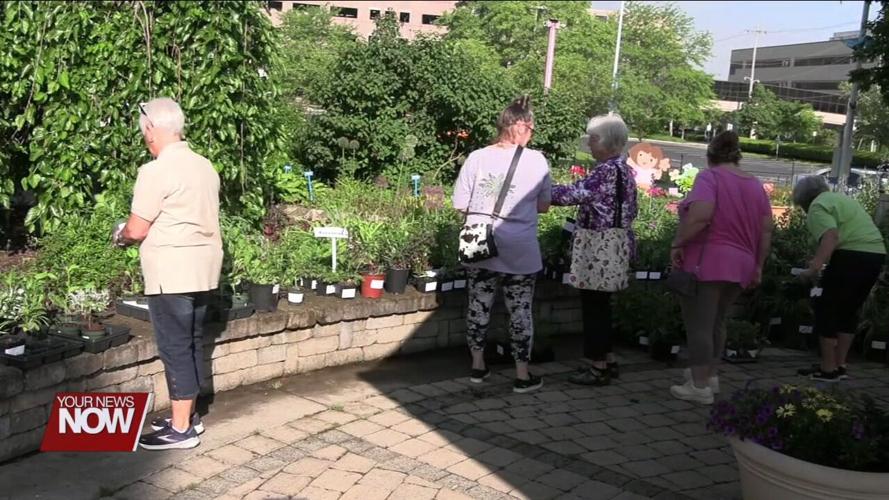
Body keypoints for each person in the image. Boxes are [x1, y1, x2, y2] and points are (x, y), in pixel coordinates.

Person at [114, 98, 223, 449]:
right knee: (191, 342)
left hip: (171, 273)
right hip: (204, 270)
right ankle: (187, 418)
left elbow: (137, 229)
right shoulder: (205, 166)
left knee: (175, 347)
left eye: (142, 128)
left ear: (150, 129)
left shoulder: (155, 170)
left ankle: (180, 432)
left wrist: (120, 235)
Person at [452, 96, 551, 394]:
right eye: (532, 127)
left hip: (480, 242)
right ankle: (522, 374)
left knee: (478, 304)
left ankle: (478, 366)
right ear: (522, 127)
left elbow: (460, 204)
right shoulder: (536, 160)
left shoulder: (476, 157)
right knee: (520, 309)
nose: (532, 133)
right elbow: (544, 206)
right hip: (520, 246)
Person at [669, 131, 773, 404]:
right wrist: (759, 266)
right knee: (718, 321)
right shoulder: (755, 185)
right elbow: (765, 232)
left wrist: (677, 243)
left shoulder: (709, 177)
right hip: (742, 264)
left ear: (710, 155)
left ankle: (699, 386)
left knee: (699, 324)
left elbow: (701, 216)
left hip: (708, 261)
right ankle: (710, 377)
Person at [552, 114, 638, 386]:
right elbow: (632, 209)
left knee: (593, 305)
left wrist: (539, 191)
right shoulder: (624, 169)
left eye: (593, 138)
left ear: (607, 141)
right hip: (617, 242)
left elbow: (574, 194)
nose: (589, 143)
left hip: (598, 245)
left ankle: (598, 366)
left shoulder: (606, 171)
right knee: (602, 304)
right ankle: (608, 359)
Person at [793, 175, 886, 381]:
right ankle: (839, 365)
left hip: (852, 255)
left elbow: (831, 236)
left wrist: (813, 269)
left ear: (803, 200)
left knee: (825, 308)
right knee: (848, 310)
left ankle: (827, 369)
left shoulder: (817, 206)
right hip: (875, 254)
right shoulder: (841, 199)